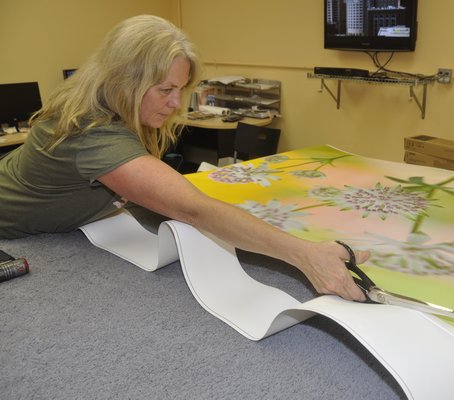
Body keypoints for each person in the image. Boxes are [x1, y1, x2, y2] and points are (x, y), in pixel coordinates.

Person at [0, 15, 367, 301]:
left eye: (180, 89)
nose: (177, 104)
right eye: (165, 90)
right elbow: (193, 209)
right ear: (124, 80)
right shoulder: (94, 134)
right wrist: (306, 255)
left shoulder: (95, 93)